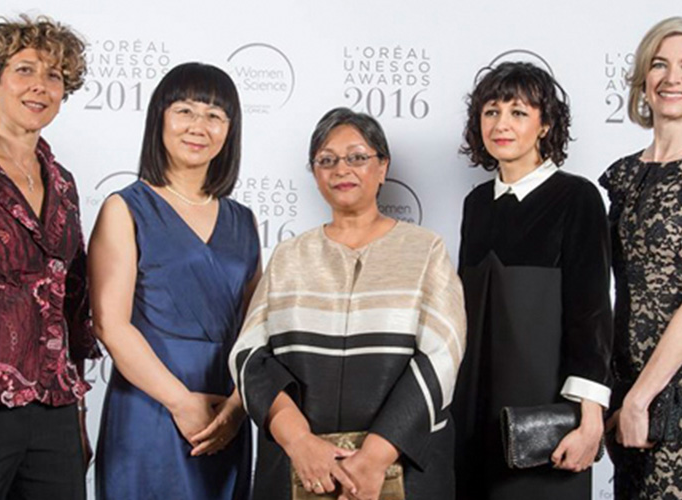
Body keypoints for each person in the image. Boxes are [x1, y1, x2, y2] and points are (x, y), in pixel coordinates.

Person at [229, 107, 466, 500]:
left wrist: (374, 458)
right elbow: (249, 355)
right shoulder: (290, 255)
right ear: (315, 173)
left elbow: (443, 354)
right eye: (327, 160)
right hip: (300, 469)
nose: (342, 169)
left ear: (383, 167)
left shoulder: (425, 250)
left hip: (403, 469)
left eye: (357, 157)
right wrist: (299, 440)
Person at [89, 62, 259, 500]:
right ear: (159, 118)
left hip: (226, 412)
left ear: (230, 130)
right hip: (149, 405)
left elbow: (256, 329)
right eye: (185, 110)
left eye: (215, 115)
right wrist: (181, 402)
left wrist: (238, 406)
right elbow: (110, 324)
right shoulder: (125, 208)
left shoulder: (243, 221)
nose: (199, 126)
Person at [451, 62, 613, 500]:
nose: (501, 124)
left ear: (545, 125)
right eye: (491, 111)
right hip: (474, 411)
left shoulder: (576, 197)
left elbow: (592, 312)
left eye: (518, 112)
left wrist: (590, 418)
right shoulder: (476, 204)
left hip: (543, 415)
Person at [0, 14, 100, 500]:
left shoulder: (63, 183)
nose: (40, 86)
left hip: (53, 406)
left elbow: (73, 300)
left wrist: (78, 411)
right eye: (25, 70)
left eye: (54, 75)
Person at [600, 17, 682, 499]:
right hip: (625, 390)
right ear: (643, 80)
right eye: (660, 64)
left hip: (667, 390)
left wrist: (641, 396)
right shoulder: (624, 176)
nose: (672, 78)